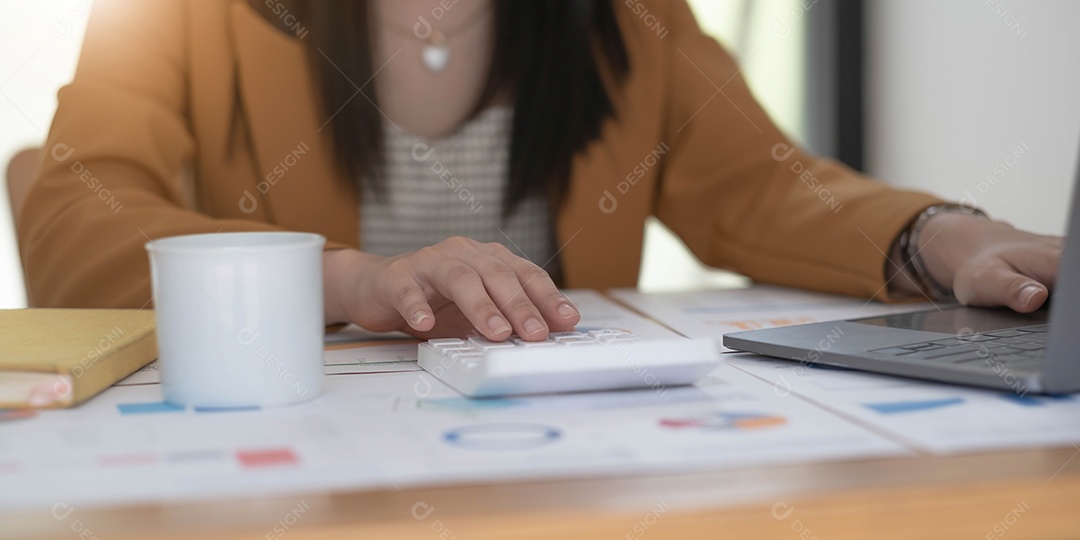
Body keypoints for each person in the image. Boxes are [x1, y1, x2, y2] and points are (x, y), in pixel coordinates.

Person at [19, 0, 1061, 342]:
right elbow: (70, 201)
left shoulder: (624, 13)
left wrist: (936, 237)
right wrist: (348, 281)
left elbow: (763, 183)